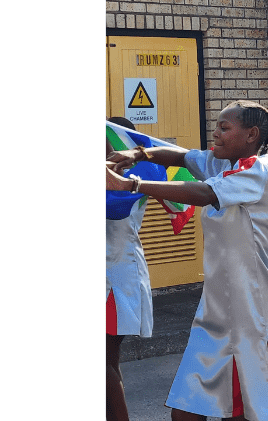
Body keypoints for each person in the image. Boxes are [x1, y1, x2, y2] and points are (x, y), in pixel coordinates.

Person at [106, 101, 268, 421]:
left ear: (251, 134)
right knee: (186, 410)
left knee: (247, 412)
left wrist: (133, 184)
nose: (216, 133)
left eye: (225, 127)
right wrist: (139, 153)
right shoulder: (218, 161)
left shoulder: (256, 170)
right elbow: (179, 155)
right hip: (215, 309)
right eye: (217, 126)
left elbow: (205, 194)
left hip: (252, 310)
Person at [106, 117, 165, 421]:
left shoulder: (138, 175)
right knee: (107, 362)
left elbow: (112, 207)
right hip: (111, 277)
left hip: (115, 281)